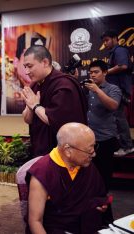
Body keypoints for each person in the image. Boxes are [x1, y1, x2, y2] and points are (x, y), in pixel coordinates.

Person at [27, 122, 107, 234]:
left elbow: (98, 195)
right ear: (68, 150)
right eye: (89, 150)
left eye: (94, 146)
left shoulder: (85, 164)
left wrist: (100, 205)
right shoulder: (43, 172)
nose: (93, 154)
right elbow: (35, 221)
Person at [21, 45, 88, 157]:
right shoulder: (34, 85)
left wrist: (35, 105)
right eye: (25, 67)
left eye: (30, 66)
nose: (26, 72)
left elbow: (56, 121)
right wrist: (29, 106)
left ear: (45, 62)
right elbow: (28, 120)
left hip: (62, 150)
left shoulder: (64, 85)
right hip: (40, 146)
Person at [84, 60, 121, 191]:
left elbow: (113, 106)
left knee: (104, 175)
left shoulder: (113, 89)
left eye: (96, 72)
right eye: (91, 72)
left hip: (106, 139)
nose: (92, 75)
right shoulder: (87, 88)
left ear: (105, 72)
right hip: (89, 139)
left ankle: (104, 202)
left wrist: (97, 90)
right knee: (89, 174)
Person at [101, 29, 134, 156]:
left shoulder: (119, 50)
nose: (105, 43)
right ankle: (124, 144)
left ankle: (127, 146)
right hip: (117, 89)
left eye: (107, 40)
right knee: (116, 117)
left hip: (119, 89)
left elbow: (123, 66)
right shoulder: (113, 52)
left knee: (119, 117)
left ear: (115, 38)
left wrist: (105, 72)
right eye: (104, 41)